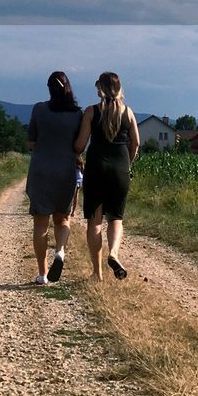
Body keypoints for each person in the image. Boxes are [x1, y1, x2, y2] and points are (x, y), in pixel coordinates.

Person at [74, 71, 140, 281]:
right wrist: (127, 163)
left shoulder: (91, 112)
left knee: (94, 222)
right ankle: (113, 253)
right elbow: (136, 143)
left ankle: (97, 272)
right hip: (120, 169)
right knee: (116, 219)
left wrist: (75, 152)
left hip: (96, 169)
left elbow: (80, 144)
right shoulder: (128, 112)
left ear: (99, 88)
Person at [26, 71, 81, 285]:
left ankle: (43, 273)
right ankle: (60, 251)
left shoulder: (39, 109)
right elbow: (80, 145)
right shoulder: (77, 114)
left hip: (41, 171)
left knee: (40, 225)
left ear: (49, 88)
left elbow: (31, 142)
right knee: (63, 219)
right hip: (66, 171)